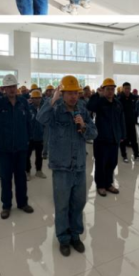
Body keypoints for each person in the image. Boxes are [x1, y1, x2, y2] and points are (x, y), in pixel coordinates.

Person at [37, 76, 97, 257]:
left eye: (75, 93)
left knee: (78, 203)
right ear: (62, 94)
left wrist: (84, 126)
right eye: (69, 93)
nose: (73, 96)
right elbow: (40, 118)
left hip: (79, 166)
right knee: (62, 205)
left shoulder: (82, 110)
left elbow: (94, 133)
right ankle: (63, 238)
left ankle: (75, 235)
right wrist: (51, 100)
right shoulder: (55, 110)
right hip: (61, 167)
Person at [0, 74, 34, 219]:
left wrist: (28, 138)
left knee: (21, 177)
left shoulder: (23, 102)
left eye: (13, 86)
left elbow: (28, 121)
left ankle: (22, 203)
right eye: (8, 87)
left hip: (21, 147)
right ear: (4, 88)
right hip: (3, 148)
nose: (12, 89)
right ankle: (6, 206)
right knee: (6, 178)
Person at [87, 78, 124, 195]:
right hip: (101, 138)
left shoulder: (117, 103)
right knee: (101, 163)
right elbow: (90, 106)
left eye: (112, 89)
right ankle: (101, 185)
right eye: (108, 89)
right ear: (103, 90)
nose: (110, 91)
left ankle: (108, 183)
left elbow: (121, 120)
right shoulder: (99, 102)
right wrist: (97, 95)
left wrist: (122, 134)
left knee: (112, 163)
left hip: (114, 138)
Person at [119, 82, 139, 163]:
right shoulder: (119, 98)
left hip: (131, 122)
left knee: (134, 140)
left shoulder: (133, 97)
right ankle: (124, 155)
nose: (127, 90)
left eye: (129, 88)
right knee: (123, 140)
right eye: (126, 88)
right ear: (123, 89)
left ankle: (136, 155)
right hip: (123, 123)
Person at [25, 90, 46, 180]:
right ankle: (27, 171)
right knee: (27, 155)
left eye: (39, 98)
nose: (37, 100)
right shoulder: (28, 109)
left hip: (39, 136)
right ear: (32, 99)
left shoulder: (43, 109)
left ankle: (39, 170)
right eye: (35, 98)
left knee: (39, 155)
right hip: (30, 136)